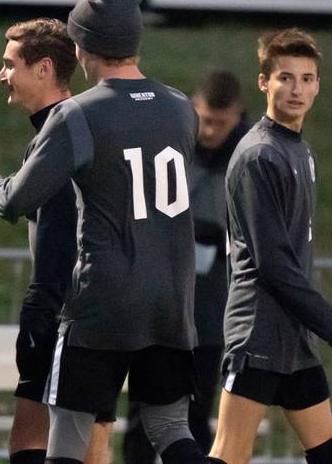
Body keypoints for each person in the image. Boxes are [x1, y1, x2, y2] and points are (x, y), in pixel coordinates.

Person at [0, 0, 210, 464]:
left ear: (82, 45)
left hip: (104, 303)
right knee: (170, 428)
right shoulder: (182, 107)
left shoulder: (78, 114)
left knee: (70, 435)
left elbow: (20, 199)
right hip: (171, 298)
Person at [209, 28, 332, 464]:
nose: (297, 89)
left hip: (293, 339)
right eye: (285, 77)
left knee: (328, 450)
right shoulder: (260, 155)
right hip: (258, 334)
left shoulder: (300, 151)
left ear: (317, 85)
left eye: (307, 78)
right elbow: (273, 265)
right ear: (264, 83)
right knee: (229, 456)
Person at [0, 18, 114, 464]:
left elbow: (59, 244)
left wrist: (40, 313)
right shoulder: (93, 127)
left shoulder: (61, 136)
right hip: (100, 314)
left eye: (10, 64)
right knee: (93, 443)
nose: (1, 75)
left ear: (43, 69)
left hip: (63, 314)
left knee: (31, 443)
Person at [123, 71, 248, 462]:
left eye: (221, 123)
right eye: (206, 119)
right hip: (157, 309)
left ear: (237, 116)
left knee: (196, 417)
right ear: (194, 108)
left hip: (208, 314)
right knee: (142, 418)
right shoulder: (171, 147)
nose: (210, 131)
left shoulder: (244, 159)